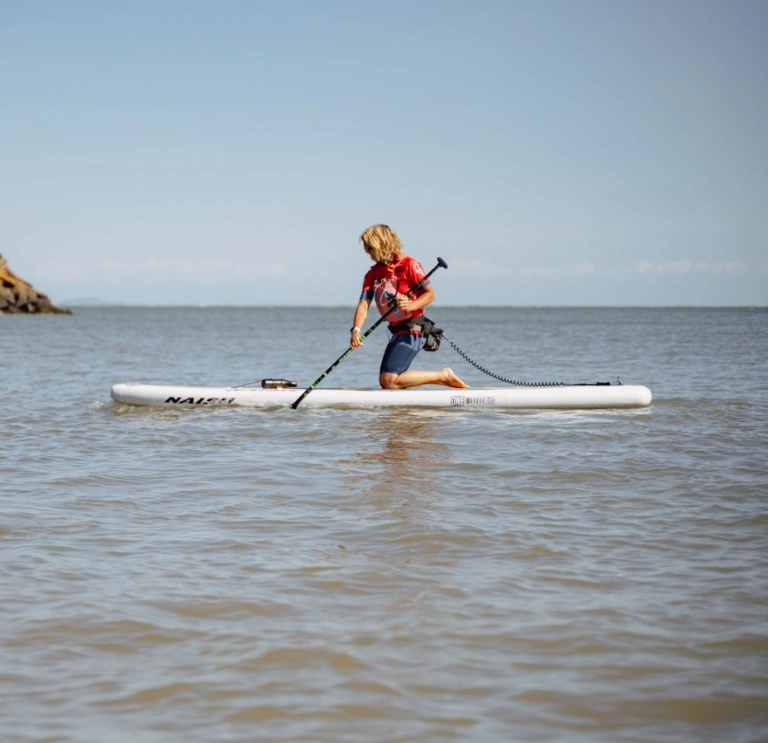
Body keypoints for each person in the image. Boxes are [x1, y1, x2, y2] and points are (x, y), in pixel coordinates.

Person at [350, 224, 469, 390]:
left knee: (390, 381)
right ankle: (405, 415)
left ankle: (443, 376)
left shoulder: (409, 265)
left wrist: (412, 304)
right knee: (386, 382)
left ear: (381, 243)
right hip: (396, 331)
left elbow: (430, 294)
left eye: (369, 247)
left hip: (413, 330)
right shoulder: (372, 273)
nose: (367, 251)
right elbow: (364, 303)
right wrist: (356, 329)